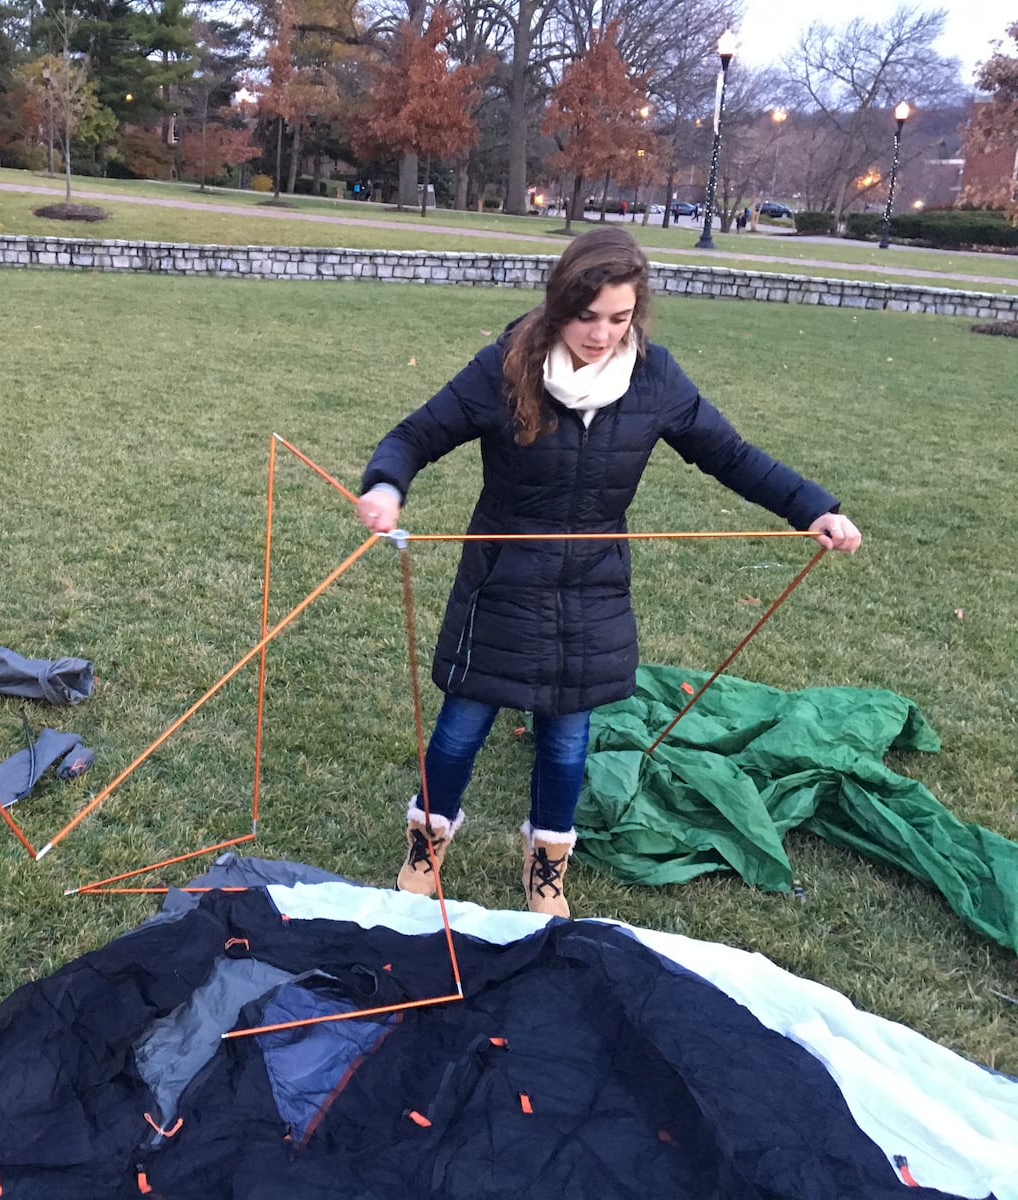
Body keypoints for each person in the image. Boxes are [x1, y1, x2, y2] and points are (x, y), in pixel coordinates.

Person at [355, 227, 860, 917]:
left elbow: (731, 455)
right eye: (586, 316)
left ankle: (547, 867)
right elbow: (414, 435)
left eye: (619, 318)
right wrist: (387, 485)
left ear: (637, 312)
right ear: (560, 304)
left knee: (566, 742)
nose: (601, 334)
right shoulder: (506, 367)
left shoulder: (654, 378)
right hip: (501, 583)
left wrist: (815, 509)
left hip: (592, 591)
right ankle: (426, 846)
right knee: (460, 728)